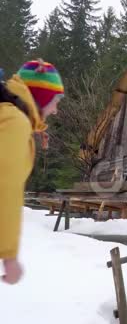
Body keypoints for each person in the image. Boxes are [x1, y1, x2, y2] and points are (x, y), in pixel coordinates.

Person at [0, 60, 64, 284]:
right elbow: (5, 188)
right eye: (55, 100)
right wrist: (8, 255)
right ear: (42, 98)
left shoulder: (7, 114)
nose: (56, 110)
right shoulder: (14, 122)